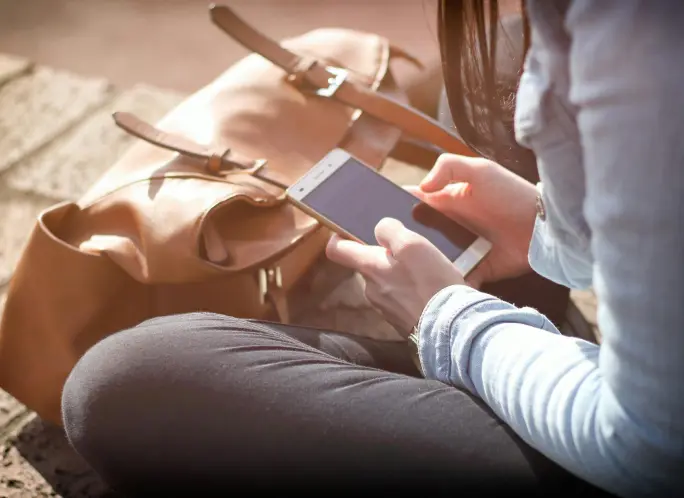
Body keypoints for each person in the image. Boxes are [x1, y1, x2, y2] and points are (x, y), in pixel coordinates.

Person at [61, 1, 683, 497]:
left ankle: (494, 356)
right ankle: (514, 348)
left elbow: (650, 446)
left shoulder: (633, 47)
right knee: (498, 61)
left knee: (130, 383)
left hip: (636, 454)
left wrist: (447, 318)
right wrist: (551, 232)